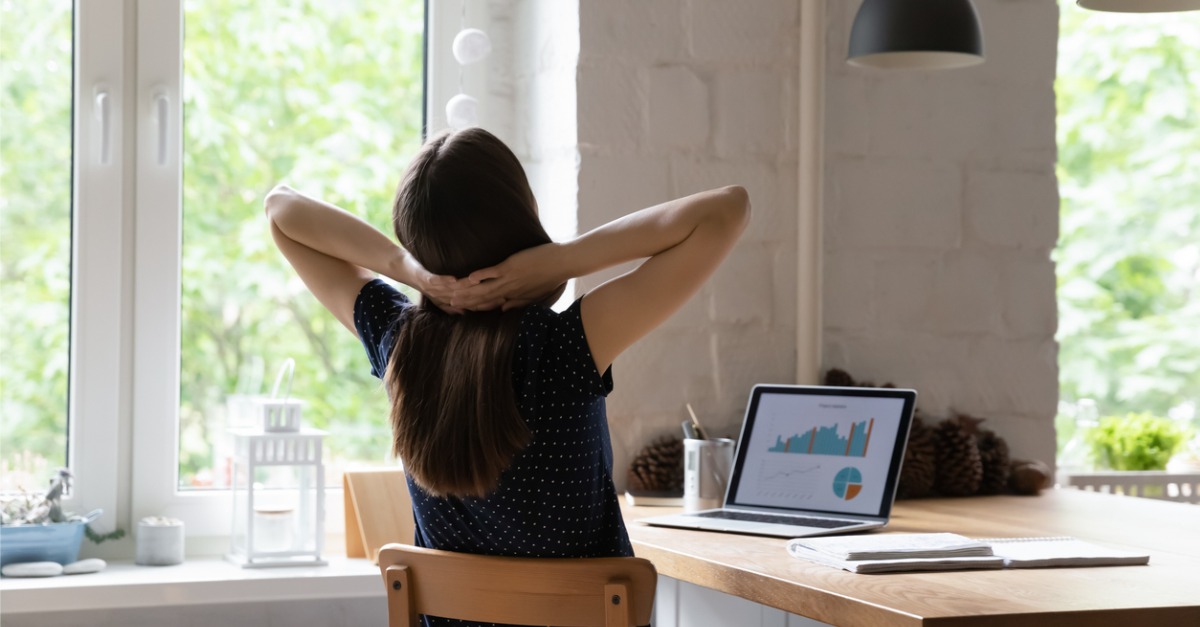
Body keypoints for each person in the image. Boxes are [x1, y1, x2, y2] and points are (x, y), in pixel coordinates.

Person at [266, 127, 748, 625]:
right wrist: (562, 258)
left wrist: (406, 269)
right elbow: (726, 211)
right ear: (521, 217)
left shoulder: (399, 342)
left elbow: (281, 210)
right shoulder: (567, 345)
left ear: (418, 240)